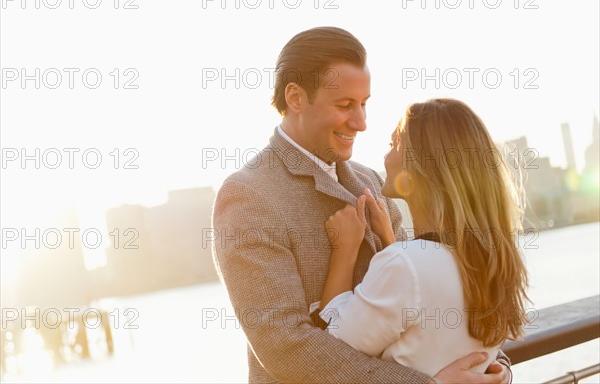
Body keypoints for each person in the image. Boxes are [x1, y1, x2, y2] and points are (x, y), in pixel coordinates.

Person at [212, 27, 513, 383]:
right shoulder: (248, 195)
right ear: (295, 97)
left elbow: (433, 296)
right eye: (345, 106)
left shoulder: (372, 181)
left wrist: (493, 366)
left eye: (364, 103)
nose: (362, 123)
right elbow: (283, 346)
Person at [319, 98, 529, 379]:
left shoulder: (405, 263)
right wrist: (391, 243)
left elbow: (333, 349)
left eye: (394, 143)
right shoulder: (493, 258)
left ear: (420, 165)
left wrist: (343, 250)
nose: (385, 156)